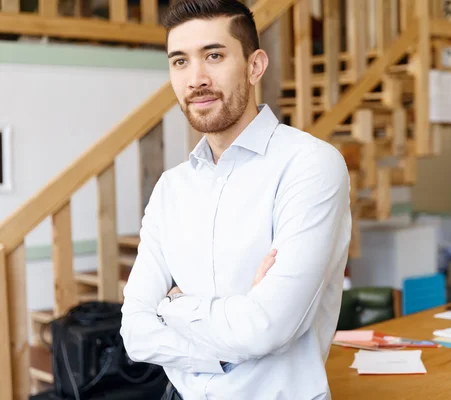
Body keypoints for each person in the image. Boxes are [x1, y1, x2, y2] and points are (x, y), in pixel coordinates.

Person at [119, 1, 352, 399]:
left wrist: (172, 306)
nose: (196, 79)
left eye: (213, 55)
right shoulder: (170, 189)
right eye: (180, 62)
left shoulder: (310, 166)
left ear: (255, 65)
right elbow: (135, 334)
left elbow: (266, 327)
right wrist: (232, 334)